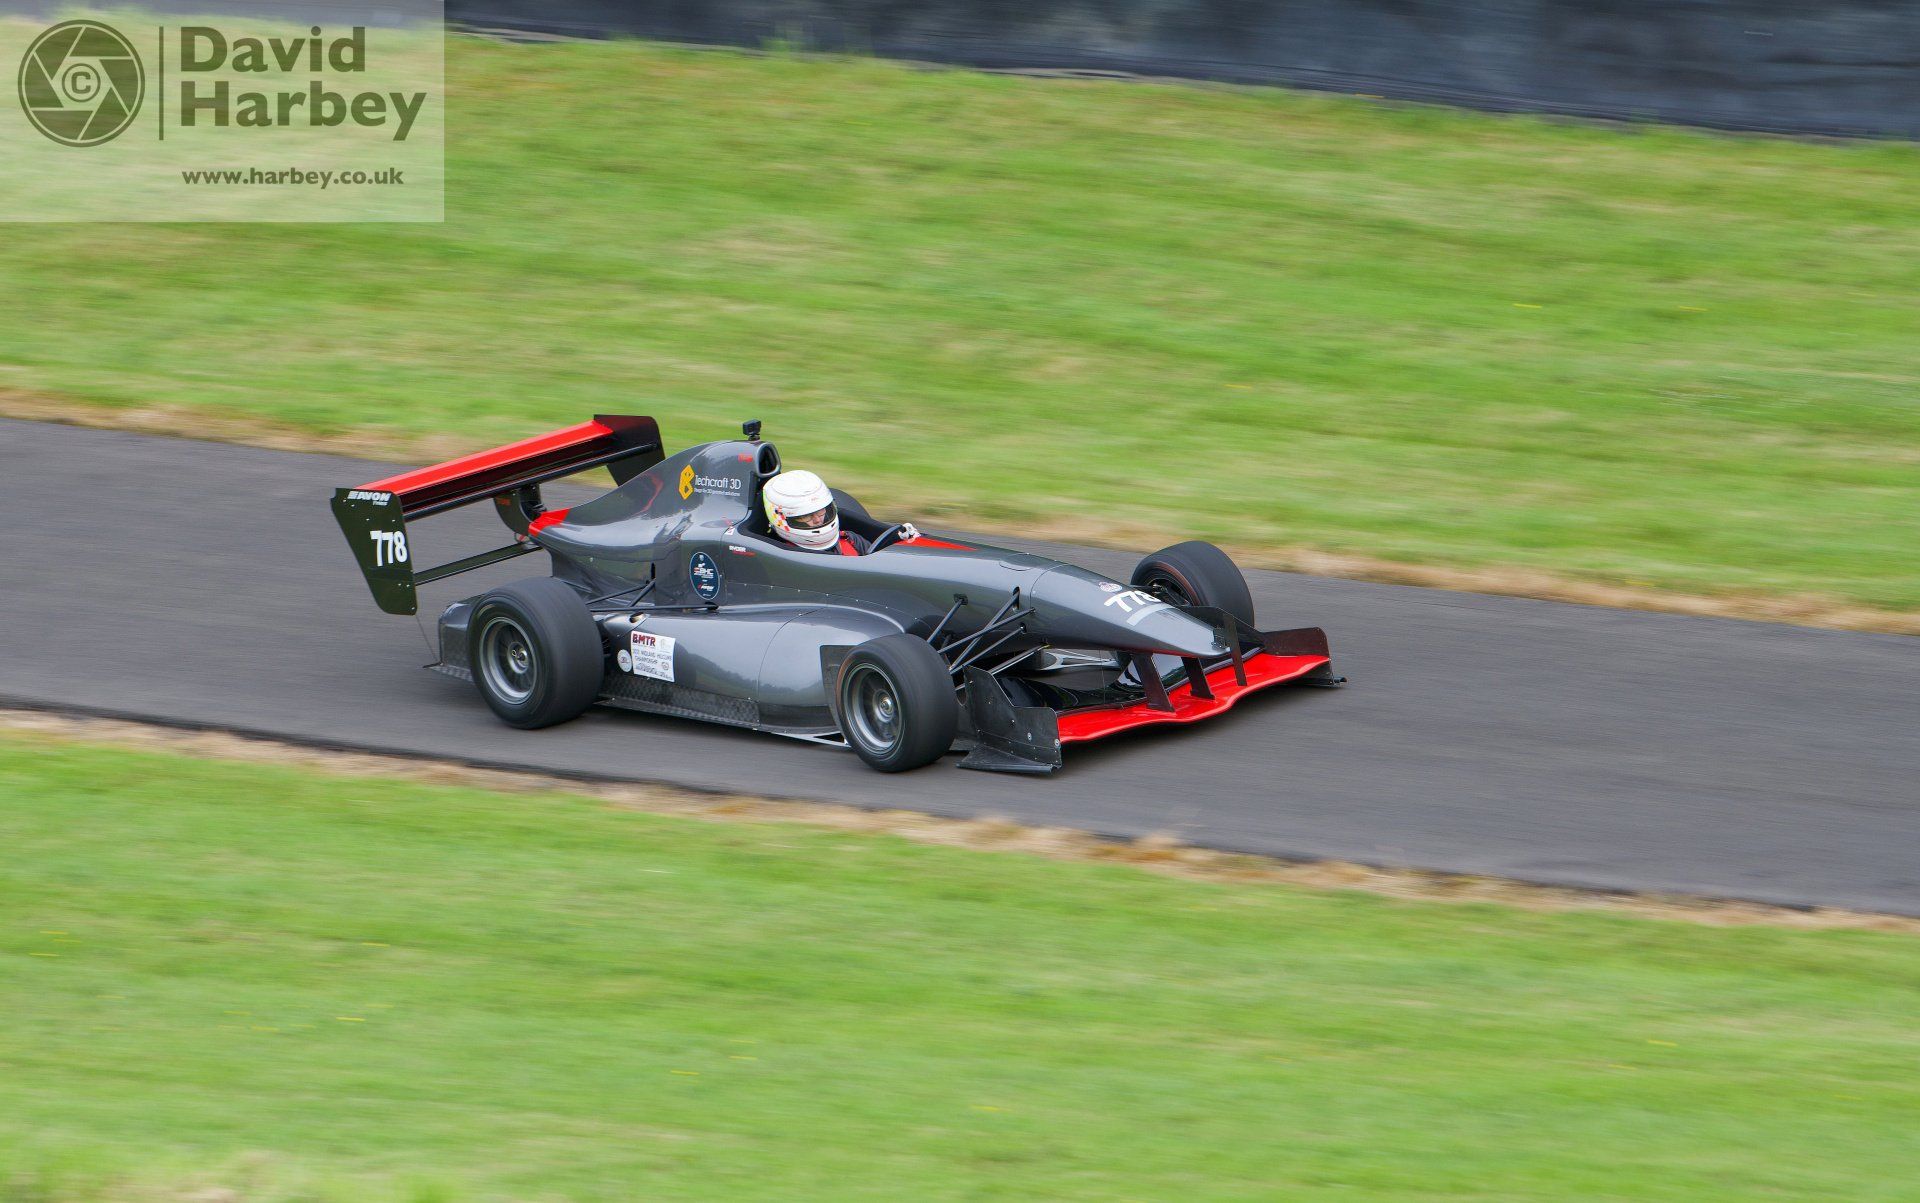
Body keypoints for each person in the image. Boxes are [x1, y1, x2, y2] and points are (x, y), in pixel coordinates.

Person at [763, 469, 914, 555]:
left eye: (821, 511)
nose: (818, 520)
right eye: (806, 516)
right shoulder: (781, 555)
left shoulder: (850, 539)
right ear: (780, 519)